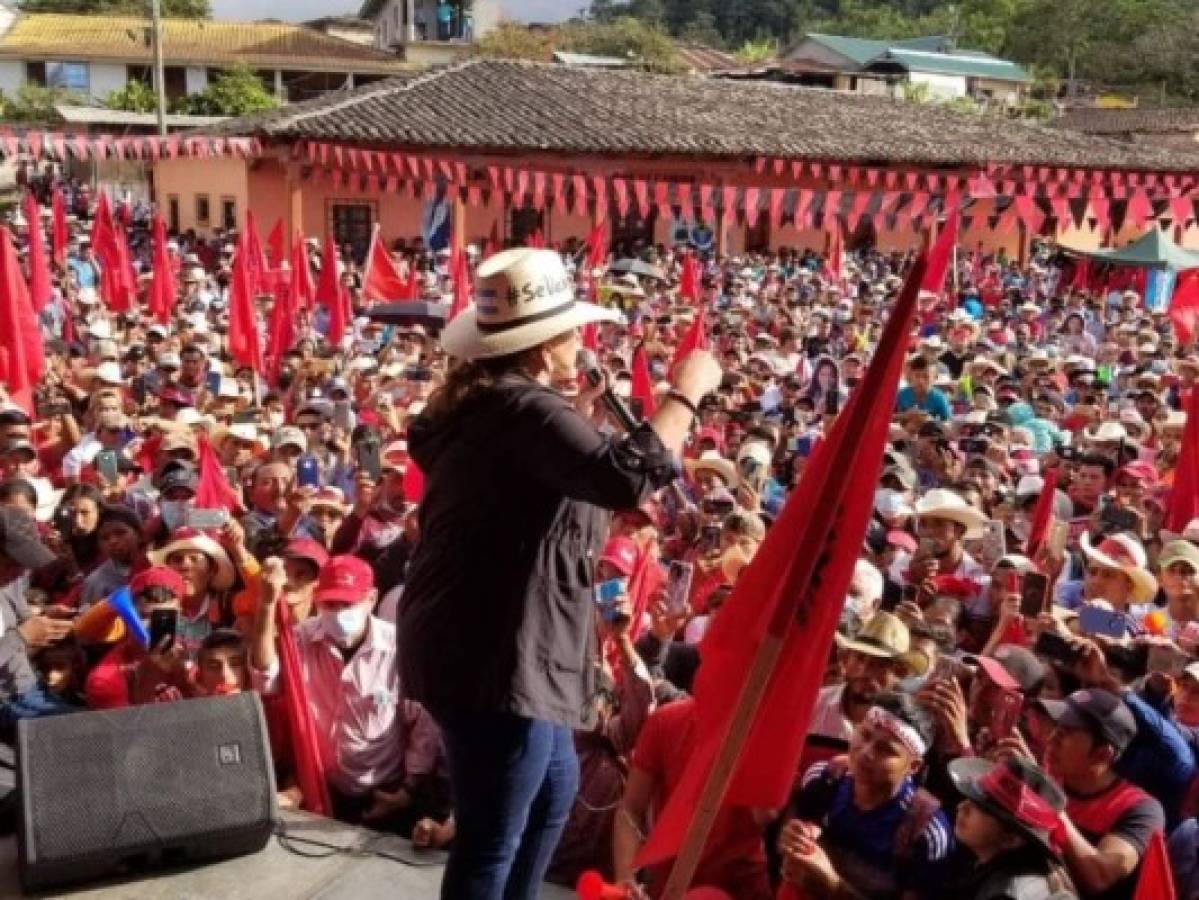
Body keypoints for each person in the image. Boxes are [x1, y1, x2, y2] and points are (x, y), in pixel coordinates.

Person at [399, 247, 722, 899]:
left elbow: (539, 479)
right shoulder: (524, 410)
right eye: (572, 330)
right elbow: (625, 475)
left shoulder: (492, 405)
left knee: (553, 794)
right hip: (492, 657)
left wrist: (586, 416)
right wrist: (685, 391)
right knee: (492, 834)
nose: (582, 342)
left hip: (483, 647)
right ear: (545, 346)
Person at [944, 756, 1076, 899]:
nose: (961, 807)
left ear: (1011, 839)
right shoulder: (990, 860)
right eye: (970, 798)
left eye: (980, 808)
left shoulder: (1004, 895)